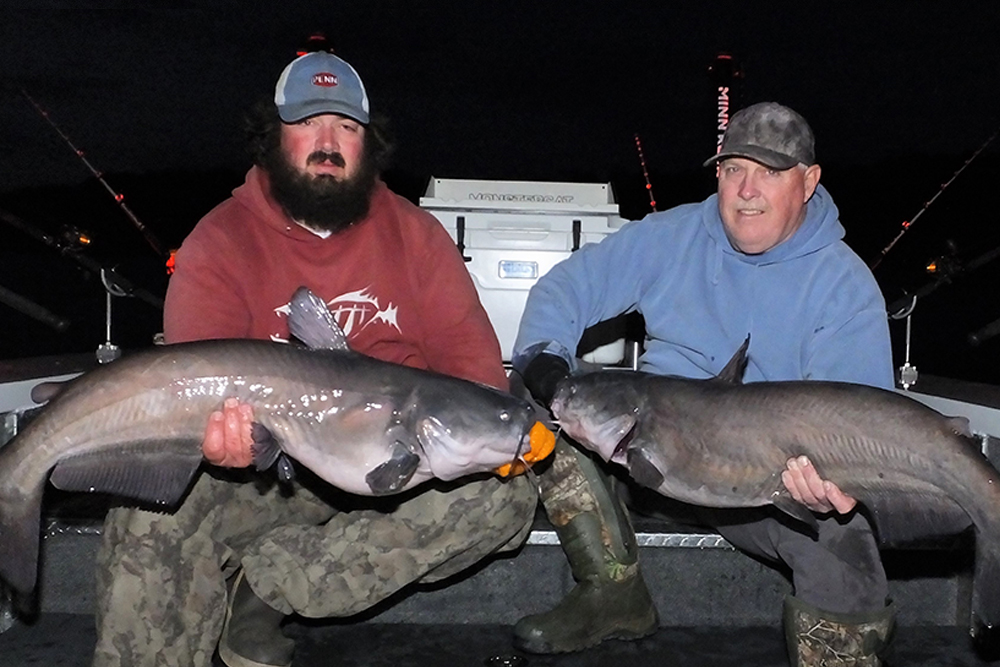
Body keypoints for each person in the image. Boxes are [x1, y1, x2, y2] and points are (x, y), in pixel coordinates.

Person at [91, 50, 538, 667]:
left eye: (347, 128)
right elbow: (196, 386)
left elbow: (476, 378)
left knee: (506, 499)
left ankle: (268, 587)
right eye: (308, 124)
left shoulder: (418, 237)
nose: (328, 143)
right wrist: (220, 441)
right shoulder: (220, 240)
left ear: (368, 144)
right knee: (146, 517)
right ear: (272, 138)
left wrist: (431, 450)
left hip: (402, 471)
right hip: (264, 479)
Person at [511, 102, 896, 666]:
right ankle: (613, 592)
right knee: (547, 396)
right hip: (644, 457)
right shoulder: (673, 236)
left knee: (847, 542)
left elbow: (857, 424)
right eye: (733, 169)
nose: (746, 190)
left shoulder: (844, 286)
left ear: (809, 182)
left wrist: (834, 481)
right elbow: (565, 289)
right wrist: (545, 360)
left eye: (770, 171)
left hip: (760, 484)